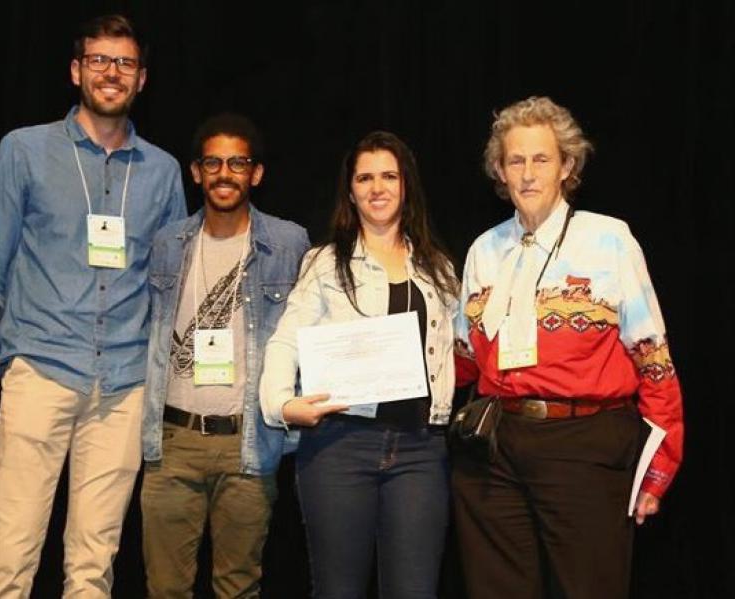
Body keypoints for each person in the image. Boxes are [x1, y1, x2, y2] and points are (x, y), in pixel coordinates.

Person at [0, 14, 187, 597]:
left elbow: (171, 289)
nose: (112, 73)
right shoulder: (24, 151)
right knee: (10, 558)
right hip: (40, 371)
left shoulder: (161, 172)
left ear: (142, 80)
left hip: (126, 387)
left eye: (125, 63)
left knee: (92, 567)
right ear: (76, 70)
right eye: (100, 61)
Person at [452, 96, 684, 599]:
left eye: (542, 159)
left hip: (585, 444)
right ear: (499, 170)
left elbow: (654, 360)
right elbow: (459, 360)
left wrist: (661, 464)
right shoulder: (483, 249)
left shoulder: (609, 240)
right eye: (516, 160)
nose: (528, 173)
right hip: (495, 447)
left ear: (567, 166)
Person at [260, 131, 459, 598]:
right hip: (340, 445)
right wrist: (283, 407)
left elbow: (463, 350)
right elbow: (285, 341)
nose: (377, 187)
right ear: (350, 191)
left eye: (388, 176)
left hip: (420, 448)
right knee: (337, 590)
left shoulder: (439, 269)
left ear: (406, 185)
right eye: (365, 178)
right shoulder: (325, 263)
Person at [140, 113, 310, 598]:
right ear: (196, 172)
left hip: (248, 444)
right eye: (212, 162)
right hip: (172, 443)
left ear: (256, 173)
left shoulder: (288, 243)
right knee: (165, 589)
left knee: (239, 587)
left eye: (238, 162)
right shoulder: (167, 244)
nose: (224, 173)